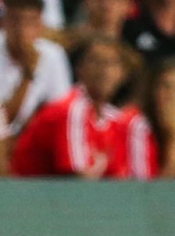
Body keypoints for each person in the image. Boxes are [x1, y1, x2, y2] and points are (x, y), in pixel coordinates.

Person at [12, 37, 152, 179]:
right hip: (30, 191)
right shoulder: (70, 110)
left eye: (113, 63)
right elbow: (78, 182)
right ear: (80, 69)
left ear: (123, 73)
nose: (105, 70)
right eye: (96, 62)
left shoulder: (118, 120)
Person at [0, 0, 71, 136]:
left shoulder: (54, 54)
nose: (22, 30)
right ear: (3, 23)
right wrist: (27, 75)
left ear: (41, 27)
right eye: (15, 21)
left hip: (32, 137)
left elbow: (60, 113)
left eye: (30, 22)